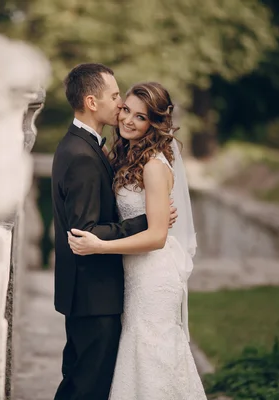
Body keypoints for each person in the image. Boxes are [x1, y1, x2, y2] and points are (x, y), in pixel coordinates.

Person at [67, 82, 206, 399]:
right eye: (126, 110)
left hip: (153, 275)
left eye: (140, 117)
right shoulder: (127, 156)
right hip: (133, 272)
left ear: (154, 123)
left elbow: (157, 237)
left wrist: (100, 246)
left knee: (151, 357)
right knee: (137, 357)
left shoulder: (154, 165)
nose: (128, 120)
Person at [51, 64, 177, 400]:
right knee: (87, 386)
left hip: (100, 288)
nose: (121, 106)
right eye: (115, 96)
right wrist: (145, 221)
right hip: (94, 292)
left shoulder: (84, 145)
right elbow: (85, 231)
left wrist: (154, 220)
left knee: (84, 380)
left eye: (139, 114)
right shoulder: (82, 155)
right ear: (92, 102)